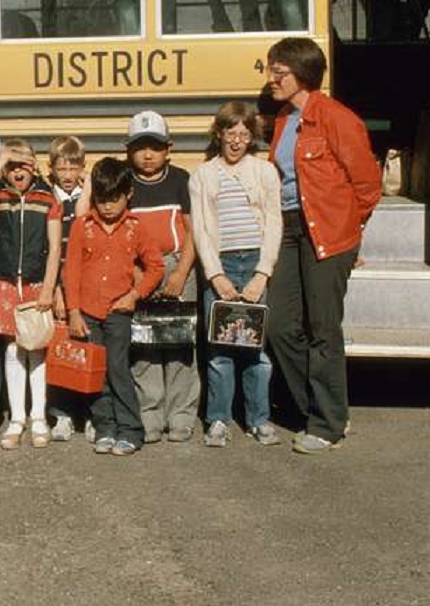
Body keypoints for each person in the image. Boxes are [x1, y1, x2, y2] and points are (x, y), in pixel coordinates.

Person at [265, 37, 380, 454]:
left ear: (303, 74)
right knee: (278, 326)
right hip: (289, 230)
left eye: (279, 72)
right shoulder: (282, 119)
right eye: (270, 71)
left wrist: (348, 231)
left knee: (323, 330)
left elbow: (368, 185)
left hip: (326, 234)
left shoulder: (336, 118)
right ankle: (316, 407)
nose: (271, 79)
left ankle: (329, 424)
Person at [189, 102, 283, 448]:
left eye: (244, 134)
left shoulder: (265, 172)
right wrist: (216, 276)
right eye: (231, 133)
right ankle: (218, 419)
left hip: (255, 263)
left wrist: (262, 274)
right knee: (220, 348)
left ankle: (258, 419)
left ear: (252, 137)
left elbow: (274, 223)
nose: (237, 141)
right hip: (223, 265)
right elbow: (200, 228)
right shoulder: (203, 175)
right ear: (220, 134)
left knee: (256, 349)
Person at [63, 158, 164, 456]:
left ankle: (131, 429)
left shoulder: (136, 228)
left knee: (117, 368)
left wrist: (134, 295)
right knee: (96, 372)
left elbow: (156, 267)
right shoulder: (83, 226)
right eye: (101, 200)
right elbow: (72, 271)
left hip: (118, 311)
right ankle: (105, 427)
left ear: (128, 194)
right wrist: (73, 311)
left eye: (114, 199)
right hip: (88, 313)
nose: (107, 207)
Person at [0, 139, 62, 451]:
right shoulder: (0, 194)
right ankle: (17, 418)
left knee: (36, 348)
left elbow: (55, 249)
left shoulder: (46, 197)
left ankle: (38, 416)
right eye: (11, 166)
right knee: (12, 350)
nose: (17, 171)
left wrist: (50, 287)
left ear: (35, 165)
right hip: (8, 281)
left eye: (24, 164)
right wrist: (3, 159)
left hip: (37, 282)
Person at [125, 110, 200, 443]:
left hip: (176, 267)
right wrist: (139, 275)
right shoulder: (124, 183)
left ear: (168, 148)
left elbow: (192, 231)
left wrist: (181, 272)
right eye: (140, 147)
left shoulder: (181, 180)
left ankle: (181, 415)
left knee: (181, 344)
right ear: (129, 150)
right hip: (140, 270)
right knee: (146, 344)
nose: (148, 154)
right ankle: (149, 414)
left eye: (155, 146)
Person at [46, 134, 90, 442]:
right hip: (59, 282)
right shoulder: (49, 199)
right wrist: (57, 291)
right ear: (52, 169)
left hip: (86, 284)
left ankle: (89, 412)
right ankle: (61, 413)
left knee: (87, 349)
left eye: (74, 168)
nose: (68, 175)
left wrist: (88, 189)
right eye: (62, 168)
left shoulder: (90, 196)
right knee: (60, 349)